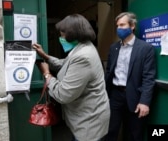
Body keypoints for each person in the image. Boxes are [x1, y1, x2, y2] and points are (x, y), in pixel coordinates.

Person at [32, 14, 110, 141]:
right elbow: (65, 64)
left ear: (73, 33)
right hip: (85, 118)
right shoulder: (83, 47)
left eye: (62, 34)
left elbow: (63, 94)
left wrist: (47, 74)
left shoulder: (83, 56)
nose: (61, 37)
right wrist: (45, 56)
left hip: (89, 123)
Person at [104, 12, 156, 141]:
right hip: (115, 95)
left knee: (134, 134)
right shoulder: (113, 48)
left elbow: (148, 77)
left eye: (122, 25)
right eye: (117, 26)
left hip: (135, 96)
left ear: (132, 26)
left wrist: (144, 102)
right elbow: (109, 71)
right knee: (110, 131)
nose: (119, 29)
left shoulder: (145, 48)